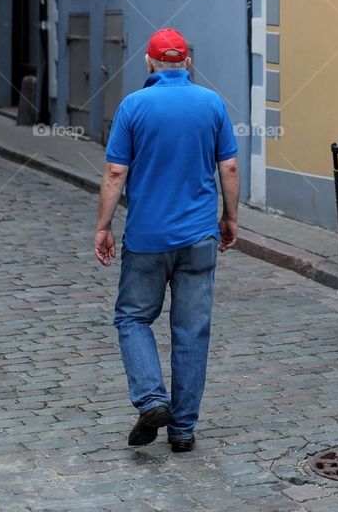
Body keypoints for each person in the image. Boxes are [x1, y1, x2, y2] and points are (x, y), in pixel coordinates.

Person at [94, 27, 239, 452]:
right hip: (198, 237)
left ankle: (152, 398)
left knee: (133, 318)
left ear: (149, 62)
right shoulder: (211, 103)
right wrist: (230, 218)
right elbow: (228, 167)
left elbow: (115, 172)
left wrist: (103, 226)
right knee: (192, 330)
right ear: (187, 63)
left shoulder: (133, 105)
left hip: (147, 238)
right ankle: (183, 430)